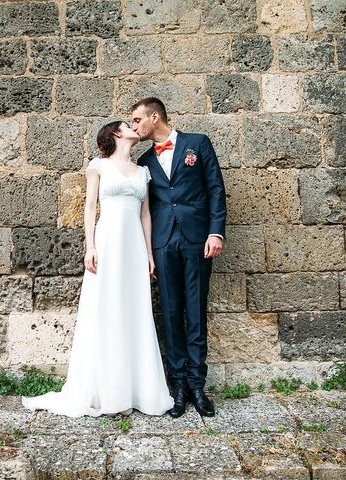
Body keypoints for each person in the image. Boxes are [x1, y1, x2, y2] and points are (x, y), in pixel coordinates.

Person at [21, 121, 174, 417]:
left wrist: (149, 254)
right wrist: (90, 246)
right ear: (116, 134)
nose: (134, 128)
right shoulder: (99, 166)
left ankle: (137, 390)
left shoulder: (143, 172)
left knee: (134, 309)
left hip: (133, 245)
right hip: (107, 242)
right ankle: (109, 392)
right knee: (107, 308)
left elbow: (146, 216)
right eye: (128, 125)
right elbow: (90, 207)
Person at [131, 97, 227, 418]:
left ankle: (198, 386)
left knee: (196, 311)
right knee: (170, 314)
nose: (135, 126)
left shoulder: (197, 144)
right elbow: (141, 210)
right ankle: (178, 389)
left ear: (154, 117)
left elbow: (215, 189)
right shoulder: (144, 161)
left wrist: (216, 232)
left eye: (137, 120)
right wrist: (146, 254)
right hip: (163, 244)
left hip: (198, 240)